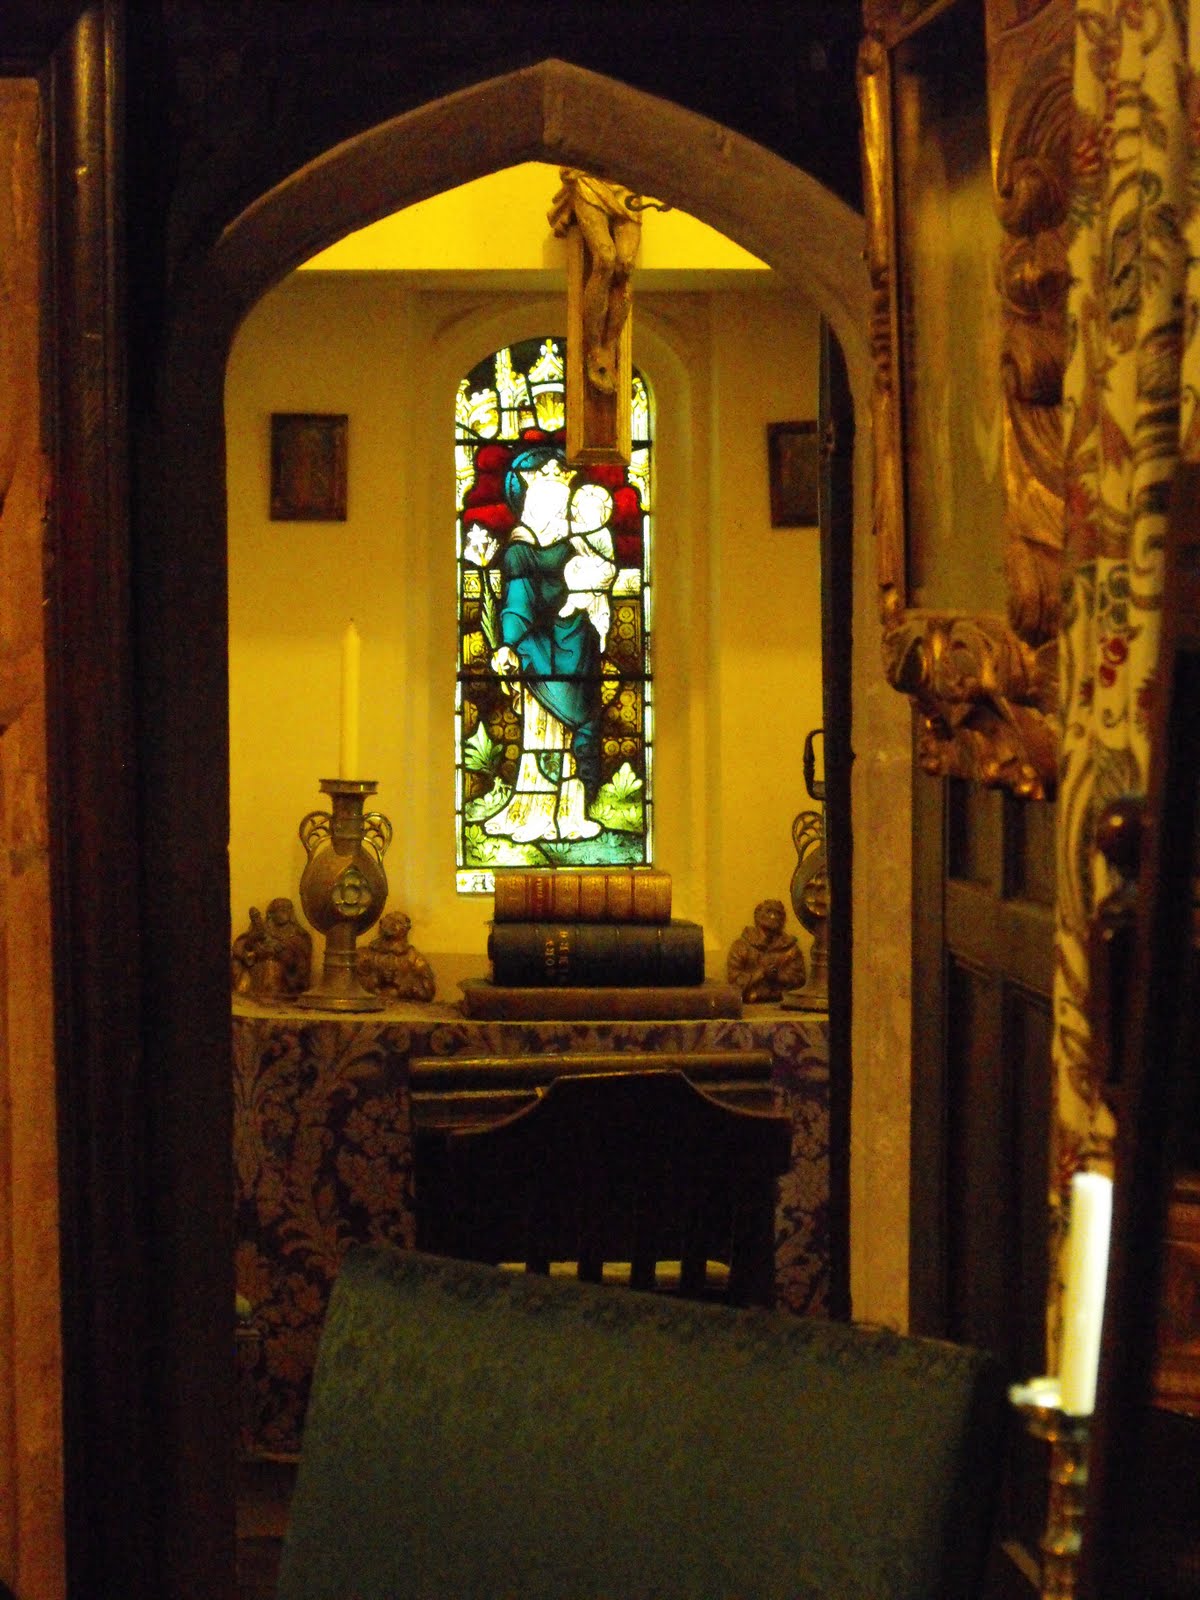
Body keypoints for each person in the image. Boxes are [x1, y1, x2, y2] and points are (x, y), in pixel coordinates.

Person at [483, 444, 617, 845]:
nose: (560, 502)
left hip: (578, 645)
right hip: (540, 651)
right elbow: (518, 602)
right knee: (545, 732)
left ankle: (572, 812)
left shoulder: (579, 541)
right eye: (550, 489)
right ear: (530, 496)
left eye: (564, 494)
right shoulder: (520, 549)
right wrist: (507, 644)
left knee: (576, 731)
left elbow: (600, 574)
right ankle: (539, 812)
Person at [549, 169, 642, 394]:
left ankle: (610, 346)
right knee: (605, 259)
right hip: (588, 183)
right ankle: (596, 350)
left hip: (626, 188)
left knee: (625, 265)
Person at [726, 898, 807, 1003]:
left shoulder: (791, 949)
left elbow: (799, 980)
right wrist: (761, 973)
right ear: (757, 916)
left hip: (781, 1003)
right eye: (768, 912)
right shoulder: (741, 946)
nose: (773, 917)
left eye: (778, 913)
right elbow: (734, 981)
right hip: (749, 1005)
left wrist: (777, 976)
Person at [357, 911, 436, 1003]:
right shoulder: (366, 955)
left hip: (405, 1008)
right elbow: (352, 983)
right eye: (389, 920)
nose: (392, 924)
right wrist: (376, 978)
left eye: (399, 922)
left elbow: (427, 990)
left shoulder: (414, 958)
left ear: (406, 928)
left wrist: (401, 981)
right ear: (381, 923)